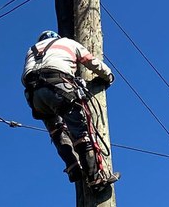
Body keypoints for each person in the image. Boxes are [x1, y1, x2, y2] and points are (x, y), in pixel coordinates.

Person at [22, 30, 119, 190]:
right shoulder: (68, 43)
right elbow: (90, 61)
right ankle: (96, 179)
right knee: (81, 134)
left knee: (57, 131)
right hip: (59, 86)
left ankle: (73, 167)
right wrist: (108, 75)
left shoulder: (31, 50)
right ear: (56, 38)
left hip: (34, 95)